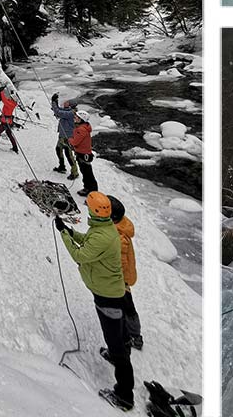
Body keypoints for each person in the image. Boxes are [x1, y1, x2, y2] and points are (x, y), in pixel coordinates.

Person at [57, 192, 134, 412]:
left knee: (116, 341)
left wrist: (64, 235)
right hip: (110, 291)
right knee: (119, 332)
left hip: (106, 294)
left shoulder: (103, 235)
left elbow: (80, 256)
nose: (87, 209)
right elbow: (90, 241)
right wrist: (71, 231)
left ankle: (124, 396)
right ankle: (118, 350)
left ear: (95, 211)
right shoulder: (103, 228)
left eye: (89, 207)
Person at [109, 195, 143, 350]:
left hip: (122, 280)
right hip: (122, 278)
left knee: (127, 306)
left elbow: (120, 263)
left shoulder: (120, 237)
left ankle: (135, 337)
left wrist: (118, 281)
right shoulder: (120, 227)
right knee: (125, 306)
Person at [50, 93, 80, 180]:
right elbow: (59, 110)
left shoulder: (71, 113)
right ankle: (62, 166)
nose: (64, 102)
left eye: (66, 102)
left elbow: (58, 112)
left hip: (68, 137)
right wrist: (55, 102)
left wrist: (54, 102)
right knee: (58, 149)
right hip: (63, 135)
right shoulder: (69, 110)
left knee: (68, 154)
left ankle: (75, 172)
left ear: (70, 104)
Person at [70, 109, 98, 196]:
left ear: (81, 119)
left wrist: (69, 139)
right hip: (83, 153)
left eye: (77, 117)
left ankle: (93, 193)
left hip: (83, 154)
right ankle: (87, 188)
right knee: (86, 173)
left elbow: (75, 142)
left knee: (88, 174)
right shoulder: (83, 127)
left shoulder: (81, 129)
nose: (75, 118)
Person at [0, 84, 20, 154]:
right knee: (9, 134)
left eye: (11, 98)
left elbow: (4, 100)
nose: (10, 98)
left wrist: (1, 92)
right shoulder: (11, 103)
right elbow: (5, 100)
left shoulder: (10, 104)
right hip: (8, 121)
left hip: (6, 122)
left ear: (13, 99)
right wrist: (0, 93)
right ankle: (15, 148)